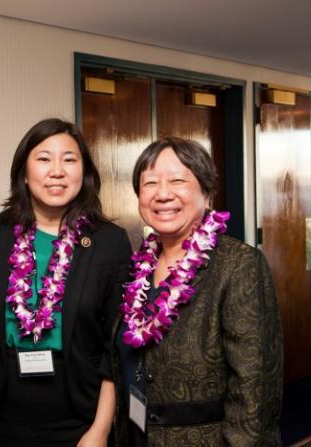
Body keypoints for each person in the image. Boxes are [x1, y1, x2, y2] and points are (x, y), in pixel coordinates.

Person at [113, 136, 283, 446]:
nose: (163, 194)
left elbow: (255, 388)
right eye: (149, 183)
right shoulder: (136, 268)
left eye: (177, 180)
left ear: (207, 195)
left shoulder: (238, 264)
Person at [0, 118, 132, 447]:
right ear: (23, 172)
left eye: (69, 159)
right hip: (3, 417)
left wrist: (100, 430)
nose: (57, 171)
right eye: (44, 159)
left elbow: (115, 348)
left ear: (84, 173)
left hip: (80, 416)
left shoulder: (108, 242)